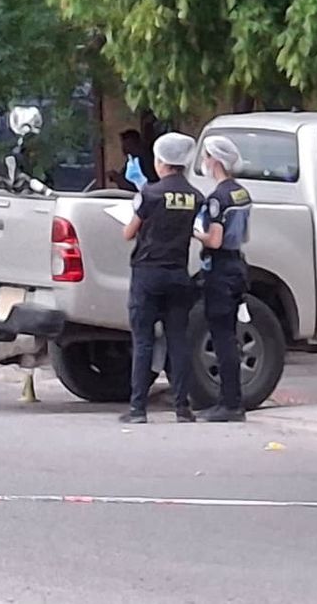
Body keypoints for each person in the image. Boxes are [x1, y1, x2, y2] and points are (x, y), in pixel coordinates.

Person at [119, 132, 204, 424]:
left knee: (143, 342)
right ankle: (182, 408)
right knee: (177, 341)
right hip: (178, 275)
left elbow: (128, 233)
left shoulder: (150, 194)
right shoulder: (196, 197)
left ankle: (138, 409)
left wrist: (140, 197)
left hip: (147, 274)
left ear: (161, 162)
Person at [193, 135, 252, 422]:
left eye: (205, 156)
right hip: (237, 264)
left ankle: (230, 404)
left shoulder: (218, 198)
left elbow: (214, 240)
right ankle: (231, 401)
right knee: (229, 335)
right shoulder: (242, 193)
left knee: (223, 339)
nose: (204, 162)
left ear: (215, 160)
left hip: (219, 267)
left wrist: (194, 232)